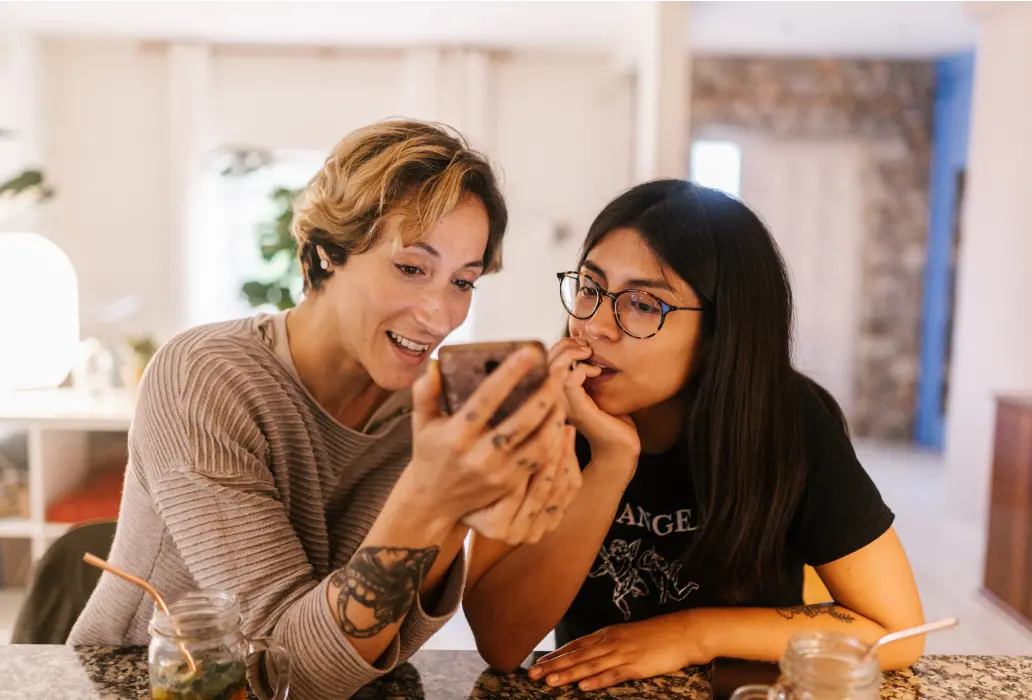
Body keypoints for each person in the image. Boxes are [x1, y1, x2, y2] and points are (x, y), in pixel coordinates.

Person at [69, 120, 581, 699]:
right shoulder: (203, 377)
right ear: (325, 253)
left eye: (463, 282)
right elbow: (288, 673)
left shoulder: (426, 419)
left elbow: (377, 648)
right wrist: (430, 497)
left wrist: (460, 508)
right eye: (411, 268)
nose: (439, 316)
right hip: (144, 683)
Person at [463, 179, 925, 692]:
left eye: (642, 304)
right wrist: (611, 464)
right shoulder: (538, 407)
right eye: (591, 288)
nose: (594, 326)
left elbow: (899, 631)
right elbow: (499, 642)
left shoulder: (788, 423)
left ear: (718, 335)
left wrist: (691, 633)